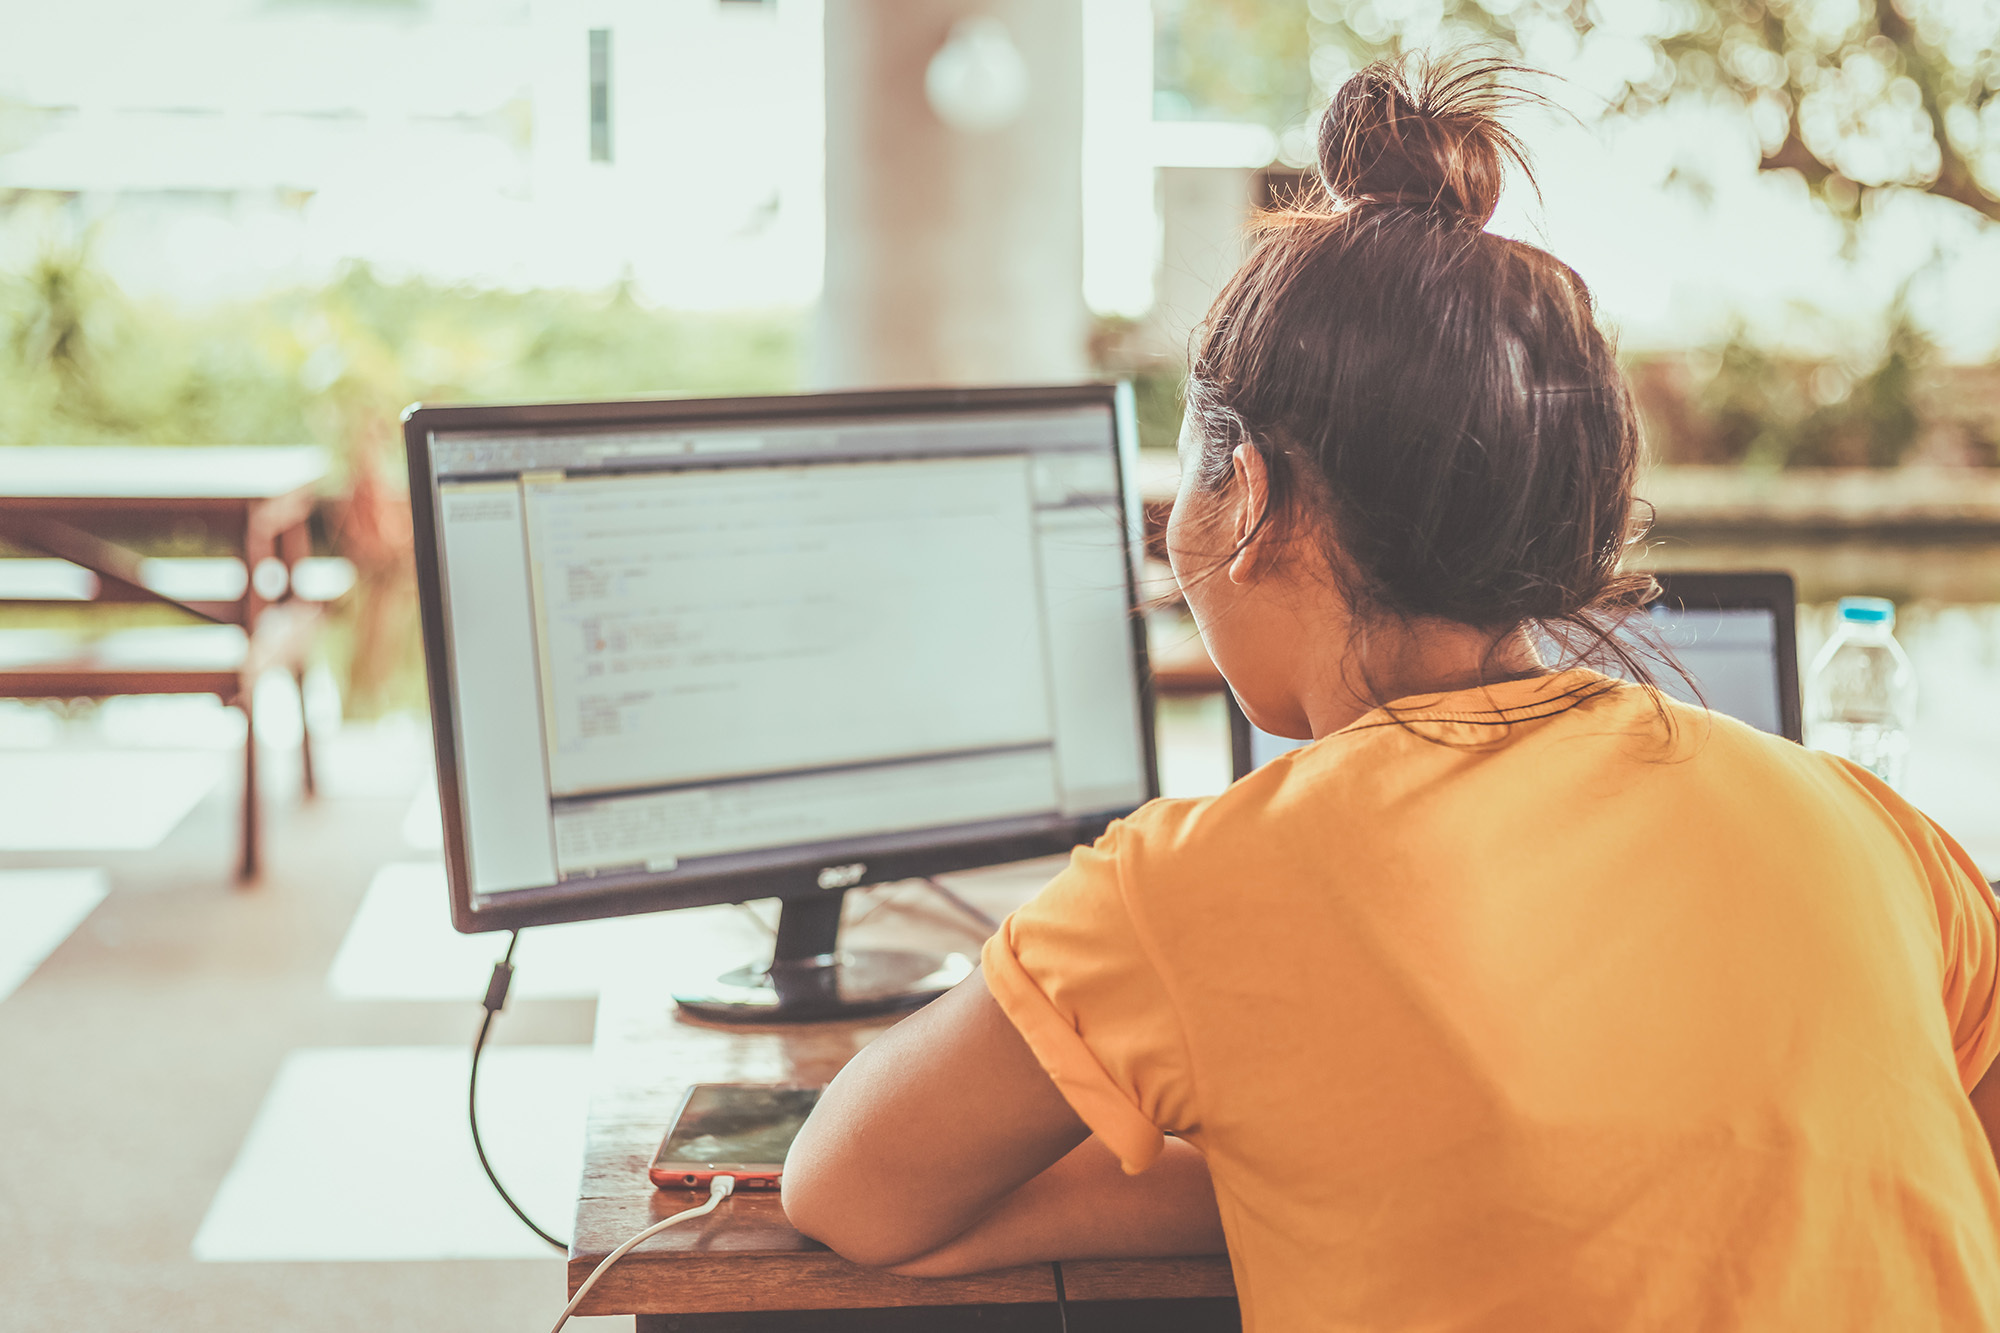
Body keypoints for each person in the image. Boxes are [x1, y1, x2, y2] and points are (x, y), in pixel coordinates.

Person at [781, 54, 2000, 1330]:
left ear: (1241, 494)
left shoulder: (1194, 885)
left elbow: (850, 1189)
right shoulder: (1866, 824)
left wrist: (1241, 1172)